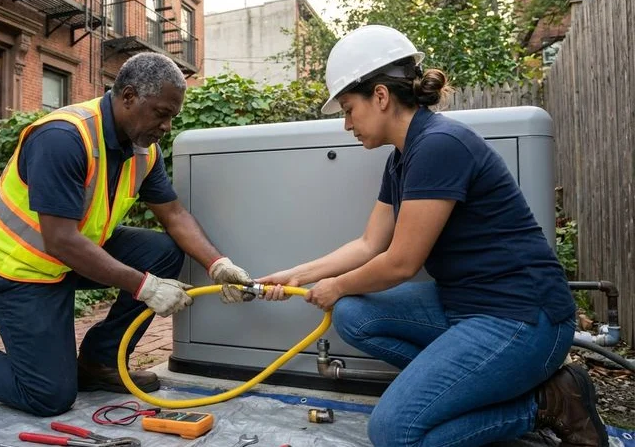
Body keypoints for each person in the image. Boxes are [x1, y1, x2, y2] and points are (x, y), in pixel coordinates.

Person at [260, 25, 608, 447]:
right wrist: (295, 275)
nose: (347, 123)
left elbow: (400, 263)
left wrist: (333, 286)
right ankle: (467, 388)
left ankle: (543, 401)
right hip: (466, 301)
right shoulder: (402, 159)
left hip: (522, 317)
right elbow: (370, 244)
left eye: (349, 108)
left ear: (382, 97)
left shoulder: (439, 145)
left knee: (395, 433)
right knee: (353, 314)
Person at [0, 52, 253, 417]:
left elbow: (175, 215)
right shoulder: (64, 137)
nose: (167, 126)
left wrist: (218, 265)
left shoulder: (142, 149)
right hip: (16, 266)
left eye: (172, 116)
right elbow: (60, 240)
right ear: (130, 96)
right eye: (162, 113)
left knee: (163, 251)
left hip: (70, 254)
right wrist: (145, 287)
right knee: (48, 395)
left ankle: (98, 362)